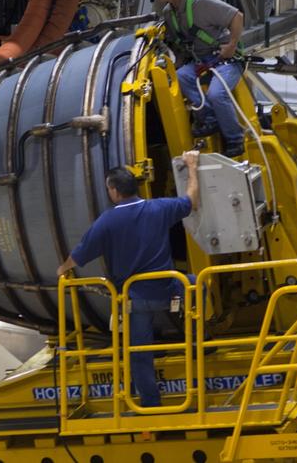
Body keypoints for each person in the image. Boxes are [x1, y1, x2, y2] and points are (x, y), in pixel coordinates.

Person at [56, 152, 201, 409]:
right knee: (198, 283)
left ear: (114, 191)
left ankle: (150, 402)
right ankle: (196, 338)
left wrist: (62, 269)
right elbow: (191, 200)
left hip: (136, 299)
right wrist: (192, 166)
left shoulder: (107, 221)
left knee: (138, 354)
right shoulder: (159, 208)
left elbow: (79, 255)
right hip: (168, 289)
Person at [152, 0, 247, 158]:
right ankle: (210, 118)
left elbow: (237, 17)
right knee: (180, 77)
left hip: (226, 59)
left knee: (216, 94)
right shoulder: (169, 13)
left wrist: (231, 46)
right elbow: (178, 44)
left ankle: (235, 139)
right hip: (201, 60)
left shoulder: (200, 3)